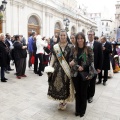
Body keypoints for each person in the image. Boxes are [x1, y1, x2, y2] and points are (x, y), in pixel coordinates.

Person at [47, 29, 74, 110]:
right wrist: (50, 67)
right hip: (56, 69)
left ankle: (64, 101)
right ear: (59, 36)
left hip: (66, 69)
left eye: (64, 35)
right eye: (61, 35)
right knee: (57, 84)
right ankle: (60, 101)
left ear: (66, 36)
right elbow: (53, 57)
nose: (62, 37)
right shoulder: (55, 46)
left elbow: (72, 58)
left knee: (65, 85)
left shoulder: (70, 46)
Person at [69, 32, 94, 117]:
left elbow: (91, 61)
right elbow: (70, 59)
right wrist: (74, 65)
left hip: (85, 74)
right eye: (78, 38)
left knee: (83, 92)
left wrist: (84, 67)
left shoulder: (88, 49)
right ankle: (77, 110)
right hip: (75, 74)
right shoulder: (73, 49)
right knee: (78, 92)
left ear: (84, 39)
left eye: (81, 38)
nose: (80, 40)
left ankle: (82, 110)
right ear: (76, 40)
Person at [87, 30, 103, 103]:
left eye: (91, 34)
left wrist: (99, 67)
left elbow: (101, 56)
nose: (90, 36)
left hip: (95, 67)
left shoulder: (98, 44)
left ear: (94, 35)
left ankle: (91, 96)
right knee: (86, 81)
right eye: (88, 34)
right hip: (86, 67)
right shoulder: (85, 43)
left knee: (92, 82)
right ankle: (86, 94)